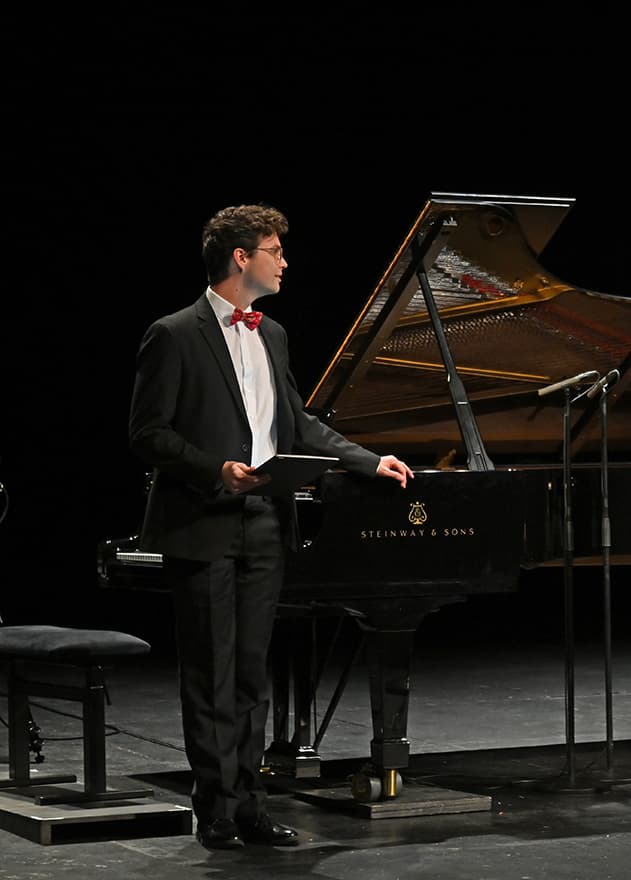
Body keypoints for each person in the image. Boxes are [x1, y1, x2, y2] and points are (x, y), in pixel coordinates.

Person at [129, 203, 414, 849]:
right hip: (202, 520)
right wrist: (214, 470)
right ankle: (216, 812)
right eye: (274, 249)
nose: (284, 260)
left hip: (262, 522)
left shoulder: (273, 334)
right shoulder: (173, 333)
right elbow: (147, 434)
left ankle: (250, 807)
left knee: (252, 672)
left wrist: (369, 460)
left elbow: (299, 424)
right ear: (240, 257)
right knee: (211, 673)